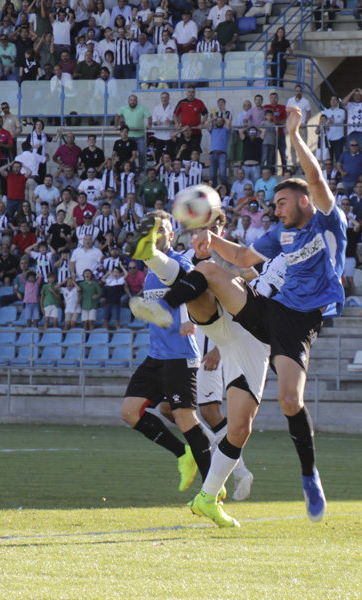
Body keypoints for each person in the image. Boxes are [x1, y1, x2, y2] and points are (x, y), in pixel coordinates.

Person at [126, 104, 344, 524]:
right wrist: (209, 239)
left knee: (245, 425)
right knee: (205, 270)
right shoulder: (279, 239)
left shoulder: (327, 223)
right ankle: (156, 274)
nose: (275, 209)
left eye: (281, 202)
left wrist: (295, 136)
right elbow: (242, 255)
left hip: (270, 337)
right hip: (252, 314)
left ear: (303, 200)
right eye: (274, 204)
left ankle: (211, 498)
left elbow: (315, 179)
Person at [117, 210, 213, 502]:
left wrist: (193, 322)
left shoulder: (180, 263)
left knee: (185, 418)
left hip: (181, 355)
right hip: (156, 355)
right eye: (152, 230)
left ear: (172, 235)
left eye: (162, 230)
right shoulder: (148, 273)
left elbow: (199, 291)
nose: (157, 235)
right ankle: (183, 454)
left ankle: (214, 488)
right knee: (129, 412)